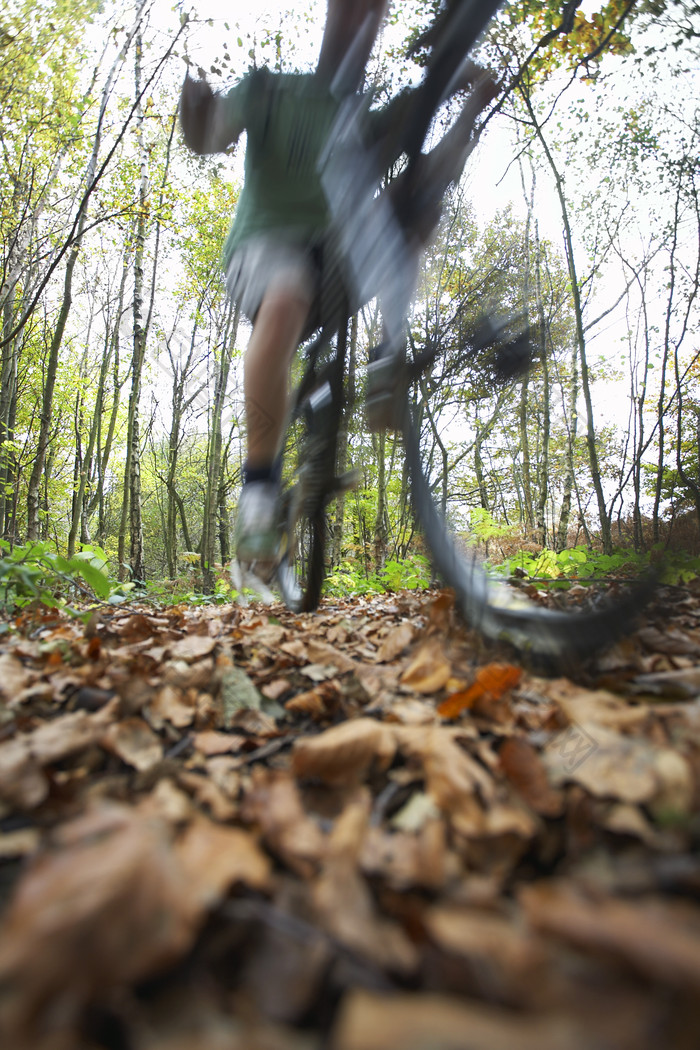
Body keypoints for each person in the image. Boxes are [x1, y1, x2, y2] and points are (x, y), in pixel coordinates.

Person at [179, 0, 498, 574]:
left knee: (420, 188)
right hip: (266, 249)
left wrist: (471, 95)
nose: (361, 20)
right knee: (288, 293)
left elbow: (434, 125)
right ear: (330, 13)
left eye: (373, 12)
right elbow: (210, 135)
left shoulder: (370, 117)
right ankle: (258, 494)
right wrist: (197, 111)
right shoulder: (272, 89)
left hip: (339, 265)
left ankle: (387, 361)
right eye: (350, 7)